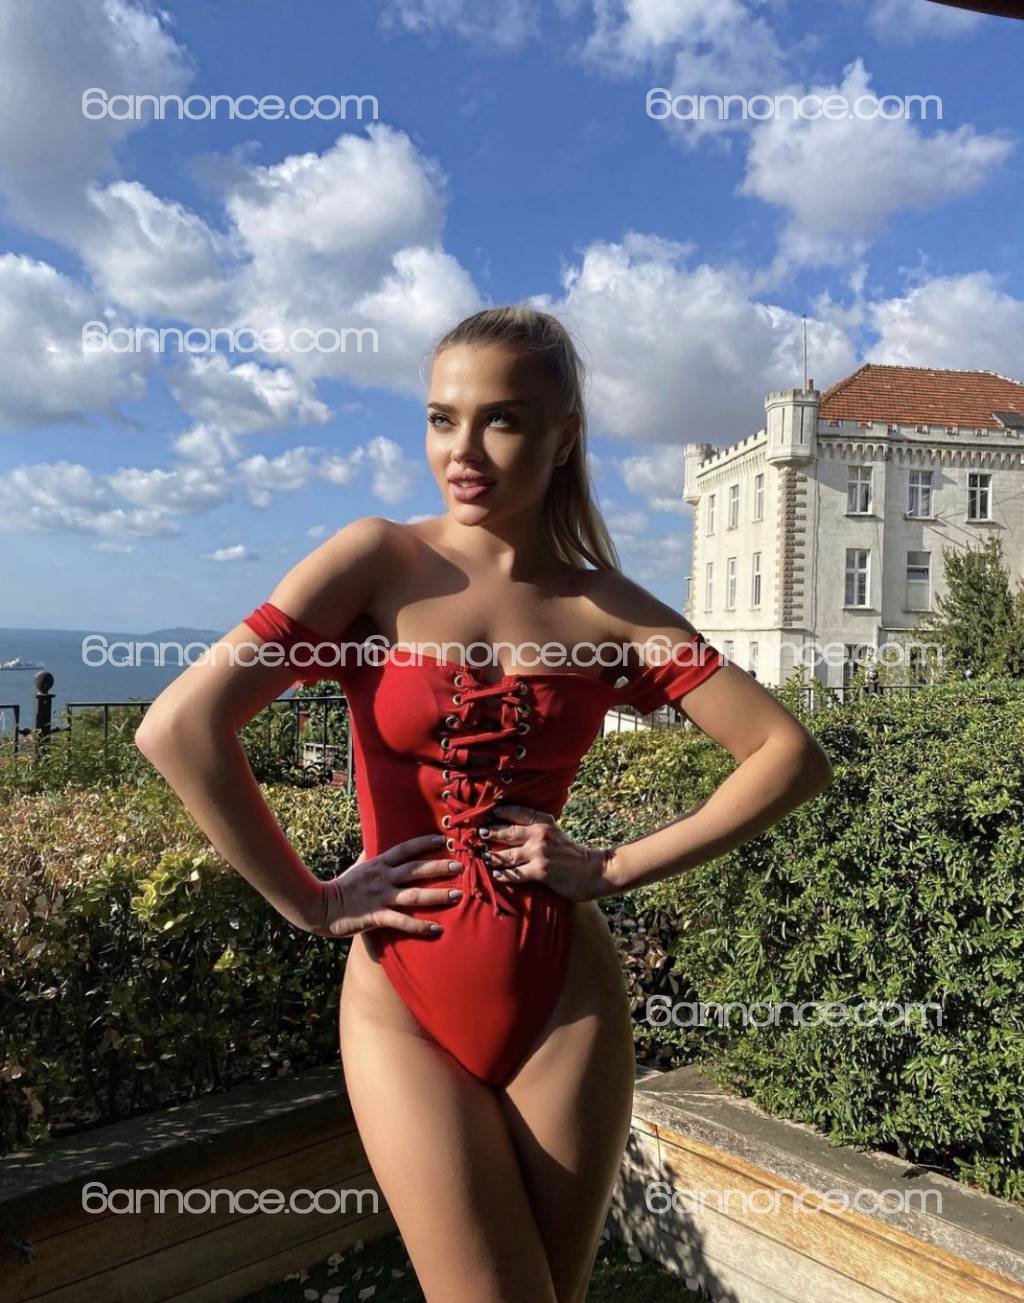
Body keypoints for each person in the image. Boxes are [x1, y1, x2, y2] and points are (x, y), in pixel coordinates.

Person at [135, 305, 833, 1302]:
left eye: (500, 419)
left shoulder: (608, 609)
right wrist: (310, 900)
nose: (461, 451)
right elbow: (180, 726)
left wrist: (613, 866)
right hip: (401, 1003)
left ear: (564, 435)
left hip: (566, 1003)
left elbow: (786, 754)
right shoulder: (375, 562)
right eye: (440, 418)